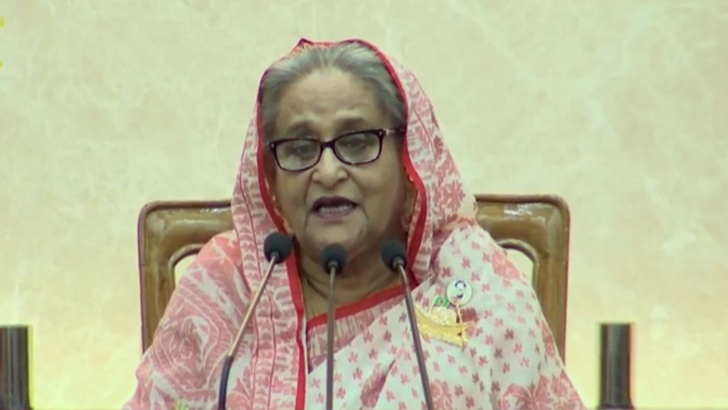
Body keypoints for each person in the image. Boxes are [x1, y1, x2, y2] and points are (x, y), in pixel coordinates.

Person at [123, 38, 585, 410]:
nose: (327, 172)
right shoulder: (228, 285)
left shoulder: (476, 288)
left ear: (409, 161)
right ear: (271, 179)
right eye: (300, 149)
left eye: (358, 142)